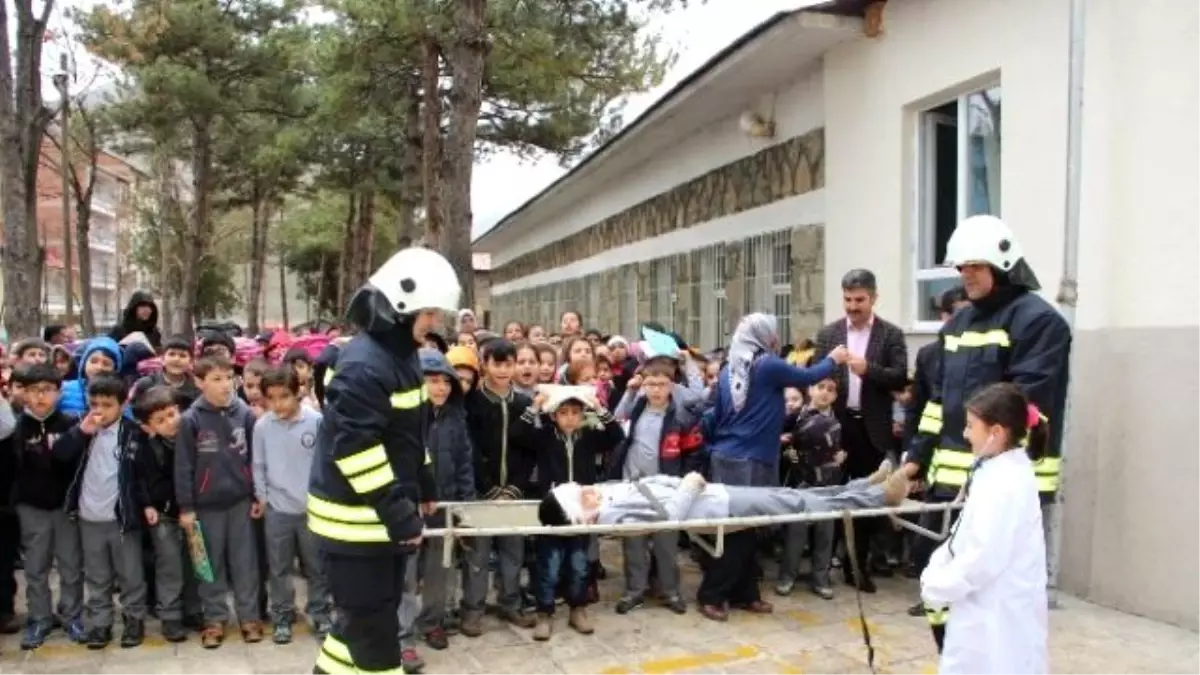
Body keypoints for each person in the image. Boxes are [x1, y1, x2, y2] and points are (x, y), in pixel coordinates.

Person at [902, 215, 1071, 638]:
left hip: (1003, 487)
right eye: (961, 268)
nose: (966, 276)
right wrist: (915, 458)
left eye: (974, 266)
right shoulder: (957, 325)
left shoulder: (1038, 322)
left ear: (1004, 263)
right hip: (950, 486)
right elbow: (938, 401)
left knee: (992, 603)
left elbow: (1023, 405)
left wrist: (982, 467)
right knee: (942, 594)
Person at [307, 246, 455, 675]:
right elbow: (356, 451)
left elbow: (404, 435)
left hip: (377, 519)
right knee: (374, 635)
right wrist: (399, 513)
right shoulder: (364, 366)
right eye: (429, 313)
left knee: (365, 620)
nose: (435, 323)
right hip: (354, 524)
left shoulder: (399, 356)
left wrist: (423, 483)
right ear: (401, 308)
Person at [697, 313, 848, 622]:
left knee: (749, 528)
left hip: (732, 456)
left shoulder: (730, 369)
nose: (777, 340)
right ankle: (713, 594)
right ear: (763, 336)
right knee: (739, 531)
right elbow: (807, 377)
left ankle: (746, 592)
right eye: (773, 333)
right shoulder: (765, 364)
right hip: (747, 460)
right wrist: (833, 358)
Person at [921, 383, 1049, 674]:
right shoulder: (997, 471)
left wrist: (938, 586)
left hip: (996, 612)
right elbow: (966, 531)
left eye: (970, 427)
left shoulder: (1006, 484)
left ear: (996, 433)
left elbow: (984, 557)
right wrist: (939, 562)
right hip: (988, 608)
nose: (965, 435)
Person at [514, 385, 625, 641]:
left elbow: (616, 435)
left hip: (581, 512)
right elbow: (518, 435)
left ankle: (578, 608)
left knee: (579, 564)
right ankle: (545, 613)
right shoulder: (545, 438)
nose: (570, 418)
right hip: (552, 512)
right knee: (549, 565)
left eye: (576, 412)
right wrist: (535, 407)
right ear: (553, 415)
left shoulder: (589, 437)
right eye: (563, 412)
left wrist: (598, 407)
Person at [54, 375, 148, 649]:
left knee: (130, 573)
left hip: (121, 518)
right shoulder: (81, 427)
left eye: (107, 405)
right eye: (94, 404)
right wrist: (81, 433)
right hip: (88, 516)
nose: (100, 411)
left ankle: (134, 619)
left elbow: (142, 475)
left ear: (122, 404)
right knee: (97, 575)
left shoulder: (133, 432)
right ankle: (101, 623)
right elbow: (60, 455)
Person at [175, 355, 262, 648]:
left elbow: (256, 459)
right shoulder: (191, 419)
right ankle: (214, 619)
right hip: (206, 505)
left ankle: (249, 618)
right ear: (199, 383)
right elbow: (184, 466)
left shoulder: (246, 414)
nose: (225, 385)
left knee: (245, 563)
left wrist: (256, 495)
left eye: (229, 378)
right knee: (208, 565)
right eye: (216, 379)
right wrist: (186, 507)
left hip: (240, 502)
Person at [609, 360, 705, 615]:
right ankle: (634, 591)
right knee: (634, 543)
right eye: (650, 384)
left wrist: (683, 483)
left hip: (665, 490)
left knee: (666, 545)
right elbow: (616, 417)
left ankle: (670, 591)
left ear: (672, 386)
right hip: (633, 486)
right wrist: (630, 392)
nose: (656, 390)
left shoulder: (682, 417)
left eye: (662, 384)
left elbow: (694, 453)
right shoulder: (636, 408)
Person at [539, 466, 907, 528]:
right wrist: (690, 484)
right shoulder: (614, 515)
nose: (585, 488)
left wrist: (685, 480)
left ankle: (861, 487)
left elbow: (652, 480)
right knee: (796, 504)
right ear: (579, 515)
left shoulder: (606, 494)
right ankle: (878, 498)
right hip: (718, 502)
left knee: (792, 494)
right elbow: (669, 518)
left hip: (714, 491)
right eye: (579, 496)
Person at [401, 350, 475, 657]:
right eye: (433, 381)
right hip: (408, 508)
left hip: (444, 508)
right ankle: (402, 635)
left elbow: (464, 466)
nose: (441, 388)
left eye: (446, 381)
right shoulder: (403, 421)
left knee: (438, 570)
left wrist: (464, 511)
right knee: (404, 574)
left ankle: (432, 621)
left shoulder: (456, 420)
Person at [462, 339, 537, 634]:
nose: (504, 370)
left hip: (514, 494)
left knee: (513, 552)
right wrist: (489, 488)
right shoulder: (472, 403)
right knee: (477, 555)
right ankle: (472, 609)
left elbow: (529, 450)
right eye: (497, 364)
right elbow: (469, 450)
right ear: (485, 365)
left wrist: (515, 487)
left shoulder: (524, 404)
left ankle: (510, 603)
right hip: (482, 494)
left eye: (509, 364)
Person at [252, 367, 331, 644]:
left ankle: (320, 612)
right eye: (270, 398)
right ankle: (283, 615)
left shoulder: (316, 422)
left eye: (284, 396)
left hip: (312, 509)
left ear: (297, 392)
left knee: (317, 566)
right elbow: (258, 465)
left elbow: (325, 464)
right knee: (279, 568)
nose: (277, 404)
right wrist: (262, 497)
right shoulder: (262, 426)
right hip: (278, 510)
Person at [9, 364, 86, 648]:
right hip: (31, 508)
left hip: (64, 506)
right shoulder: (16, 427)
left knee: (70, 565)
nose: (40, 396)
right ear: (23, 394)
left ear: (59, 391)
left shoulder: (70, 424)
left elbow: (75, 464)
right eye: (33, 390)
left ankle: (72, 616)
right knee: (36, 566)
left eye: (47, 390)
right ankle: (40, 618)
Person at [131, 386, 195, 643]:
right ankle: (170, 615)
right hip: (164, 515)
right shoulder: (148, 448)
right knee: (170, 566)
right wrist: (147, 504)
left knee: (194, 565)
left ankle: (194, 610)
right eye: (161, 420)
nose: (171, 422)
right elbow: (141, 480)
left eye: (172, 414)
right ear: (148, 426)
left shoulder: (191, 439)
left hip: (192, 514)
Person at [777, 375, 844, 599]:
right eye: (820, 387)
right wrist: (786, 451)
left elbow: (849, 445)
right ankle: (788, 575)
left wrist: (845, 455)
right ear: (810, 389)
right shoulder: (795, 417)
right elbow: (780, 440)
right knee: (796, 532)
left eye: (831, 389)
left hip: (829, 483)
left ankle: (821, 577)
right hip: (801, 481)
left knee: (826, 532)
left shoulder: (840, 419)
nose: (825, 392)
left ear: (836, 394)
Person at [59, 337, 122, 416]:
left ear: (115, 370)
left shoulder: (119, 395)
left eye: (106, 364)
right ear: (84, 363)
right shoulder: (63, 389)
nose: (99, 367)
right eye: (94, 361)